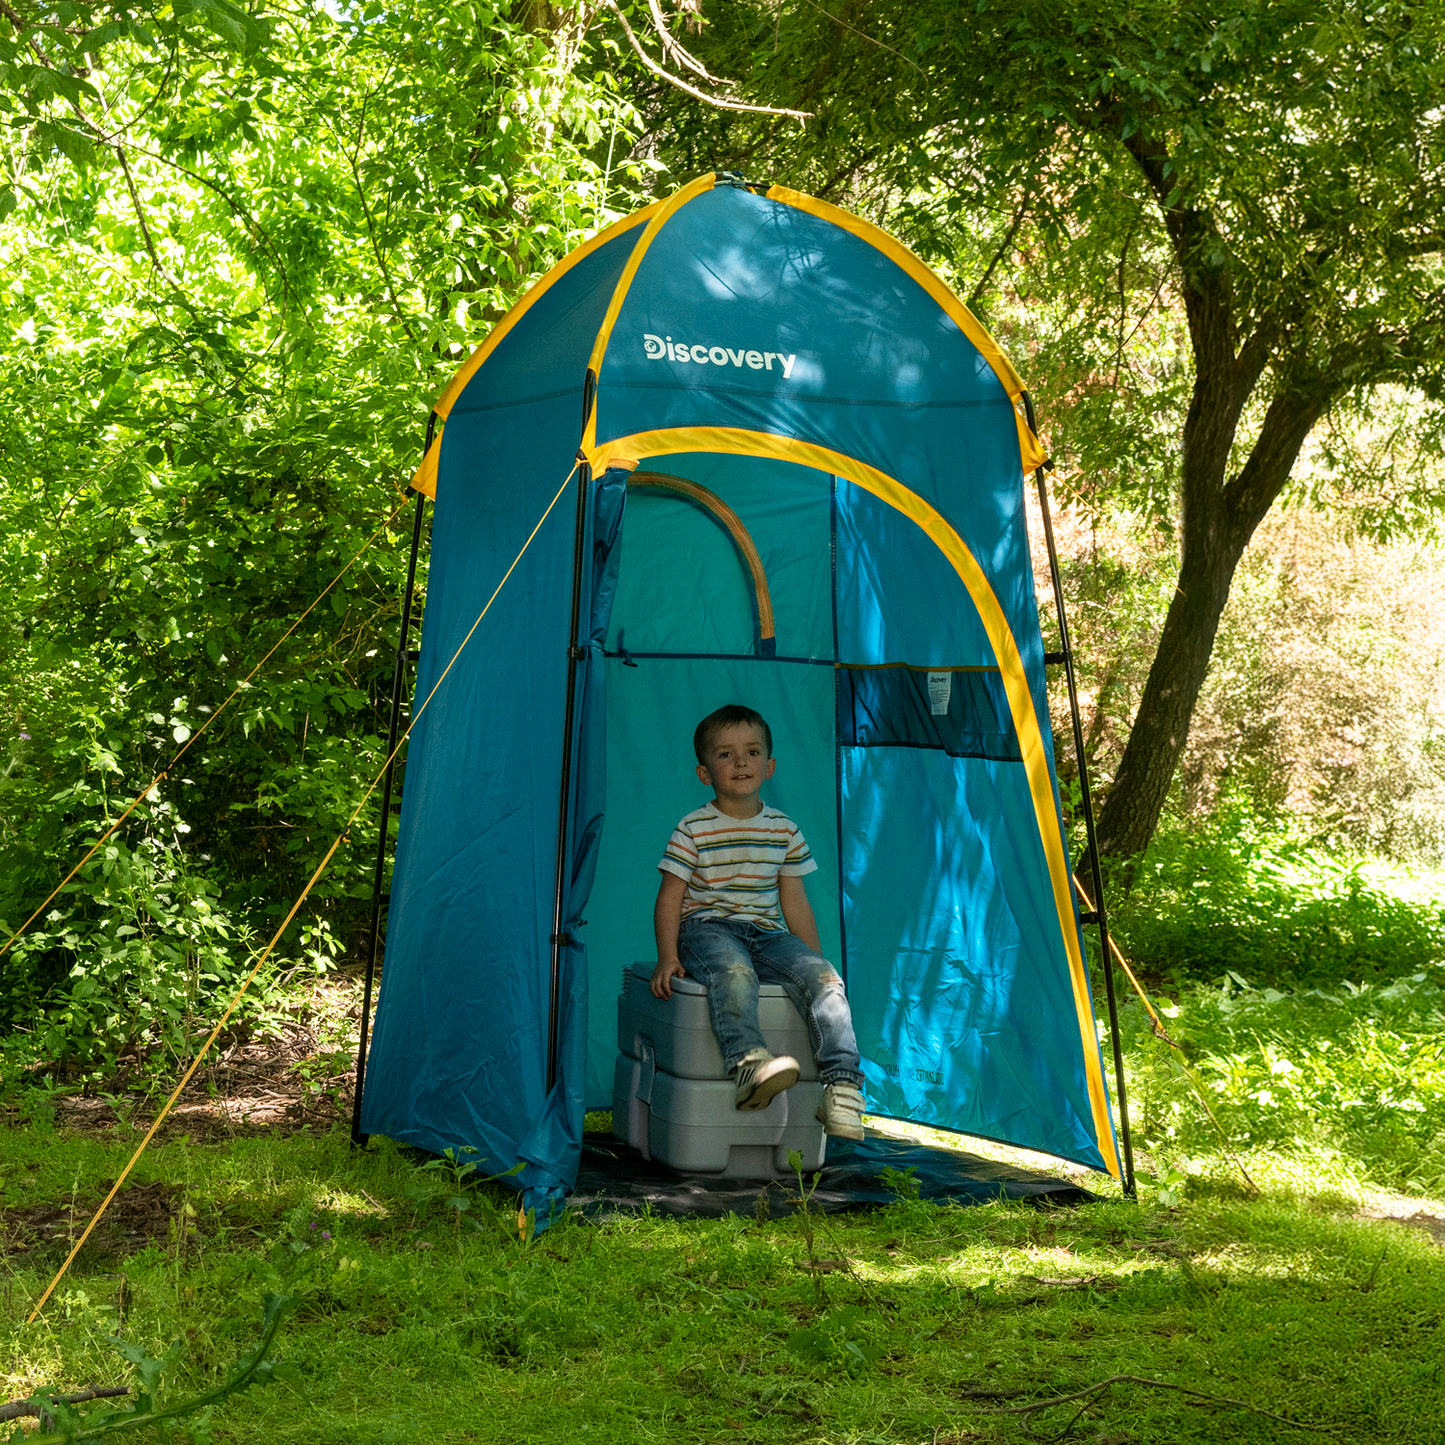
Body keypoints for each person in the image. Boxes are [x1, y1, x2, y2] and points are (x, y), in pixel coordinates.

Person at [651, 703, 866, 1140]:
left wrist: (814, 966)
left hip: (766, 933)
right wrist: (667, 956)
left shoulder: (784, 829)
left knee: (827, 981)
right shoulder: (692, 828)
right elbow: (670, 898)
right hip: (706, 929)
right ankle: (749, 1064)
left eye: (751, 752)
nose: (740, 762)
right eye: (725, 754)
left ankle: (842, 1089)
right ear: (705, 772)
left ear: (769, 766)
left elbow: (795, 902)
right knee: (735, 972)